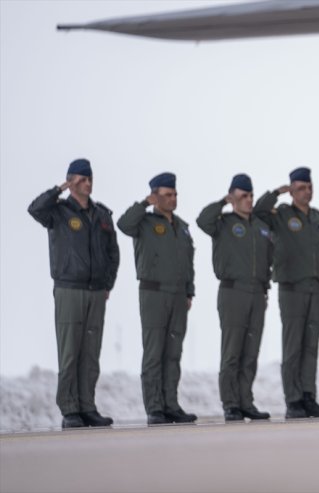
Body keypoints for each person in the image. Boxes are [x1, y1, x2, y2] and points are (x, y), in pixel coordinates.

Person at [28, 158, 120, 429]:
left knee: (91, 353)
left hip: (96, 292)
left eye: (90, 179)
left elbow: (113, 253)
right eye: (81, 179)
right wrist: (59, 188)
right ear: (70, 181)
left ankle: (87, 406)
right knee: (70, 352)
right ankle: (69, 409)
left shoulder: (102, 215)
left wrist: (107, 284)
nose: (87, 183)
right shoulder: (58, 212)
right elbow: (34, 209)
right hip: (69, 289)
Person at [253, 167, 319, 419]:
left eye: (309, 187)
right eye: (300, 188)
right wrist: (277, 192)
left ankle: (309, 396)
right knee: (293, 346)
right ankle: (293, 399)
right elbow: (258, 211)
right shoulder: (282, 215)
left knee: (311, 347)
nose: (306, 192)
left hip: (316, 289)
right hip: (292, 288)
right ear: (291, 190)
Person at [117, 172, 197, 425]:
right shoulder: (144, 222)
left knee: (173, 353)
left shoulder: (182, 227)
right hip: (154, 293)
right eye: (166, 195)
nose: (172, 199)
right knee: (154, 352)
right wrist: (144, 203)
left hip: (177, 295)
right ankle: (154, 407)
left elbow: (188, 263)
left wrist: (189, 291)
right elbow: (123, 224)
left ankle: (170, 404)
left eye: (174, 194)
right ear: (155, 196)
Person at [196, 174, 273, 422]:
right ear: (233, 197)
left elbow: (267, 260)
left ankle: (245, 401)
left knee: (250, 352)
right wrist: (223, 202)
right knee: (232, 351)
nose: (249, 200)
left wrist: (264, 289)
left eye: (251, 195)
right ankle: (230, 403)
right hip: (233, 292)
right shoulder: (223, 223)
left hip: (257, 293)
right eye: (243, 196)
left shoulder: (260, 226)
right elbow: (202, 219)